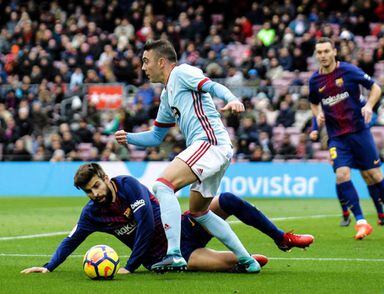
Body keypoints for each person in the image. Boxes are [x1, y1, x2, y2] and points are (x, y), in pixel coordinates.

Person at [115, 39, 258, 272]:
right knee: (200, 212)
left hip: (209, 143)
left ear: (161, 62)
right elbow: (156, 137)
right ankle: (246, 260)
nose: (143, 67)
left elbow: (211, 86)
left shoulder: (182, 73)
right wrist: (128, 137)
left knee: (162, 185)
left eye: (146, 61)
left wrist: (232, 98)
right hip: (213, 149)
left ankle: (174, 253)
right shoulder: (166, 95)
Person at [20, 163, 314, 274]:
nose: (94, 193)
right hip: (169, 256)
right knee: (229, 264)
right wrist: (48, 267)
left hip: (184, 226)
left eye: (96, 185)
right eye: (88, 191)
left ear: (105, 178)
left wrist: (130, 267)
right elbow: (72, 240)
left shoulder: (128, 185)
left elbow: (147, 222)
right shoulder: (92, 214)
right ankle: (241, 258)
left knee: (227, 200)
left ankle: (282, 238)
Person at [308, 38, 384, 240]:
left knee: (374, 175)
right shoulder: (314, 80)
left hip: (359, 132)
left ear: (334, 52)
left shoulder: (348, 71)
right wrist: (318, 113)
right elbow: (313, 102)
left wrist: (369, 106)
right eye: (319, 52)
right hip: (337, 137)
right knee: (342, 175)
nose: (323, 55)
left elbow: (376, 88)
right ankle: (361, 223)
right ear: (316, 55)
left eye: (326, 51)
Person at [310, 117, 384, 227]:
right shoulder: (327, 102)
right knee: (341, 175)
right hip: (337, 138)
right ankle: (346, 213)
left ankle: (381, 215)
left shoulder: (352, 101)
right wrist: (315, 128)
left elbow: (366, 109)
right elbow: (317, 109)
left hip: (356, 137)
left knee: (368, 176)